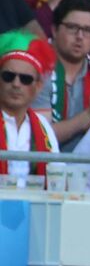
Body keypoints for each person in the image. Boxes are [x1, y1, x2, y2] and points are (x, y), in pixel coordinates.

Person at [33, 0, 90, 152]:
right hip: (42, 167)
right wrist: (87, 117)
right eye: (72, 27)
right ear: (54, 30)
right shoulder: (36, 72)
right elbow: (40, 136)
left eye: (88, 30)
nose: (80, 36)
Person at [0, 31, 59, 188]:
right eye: (8, 76)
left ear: (38, 86)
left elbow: (57, 174)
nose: (16, 84)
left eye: (25, 79)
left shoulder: (42, 126)